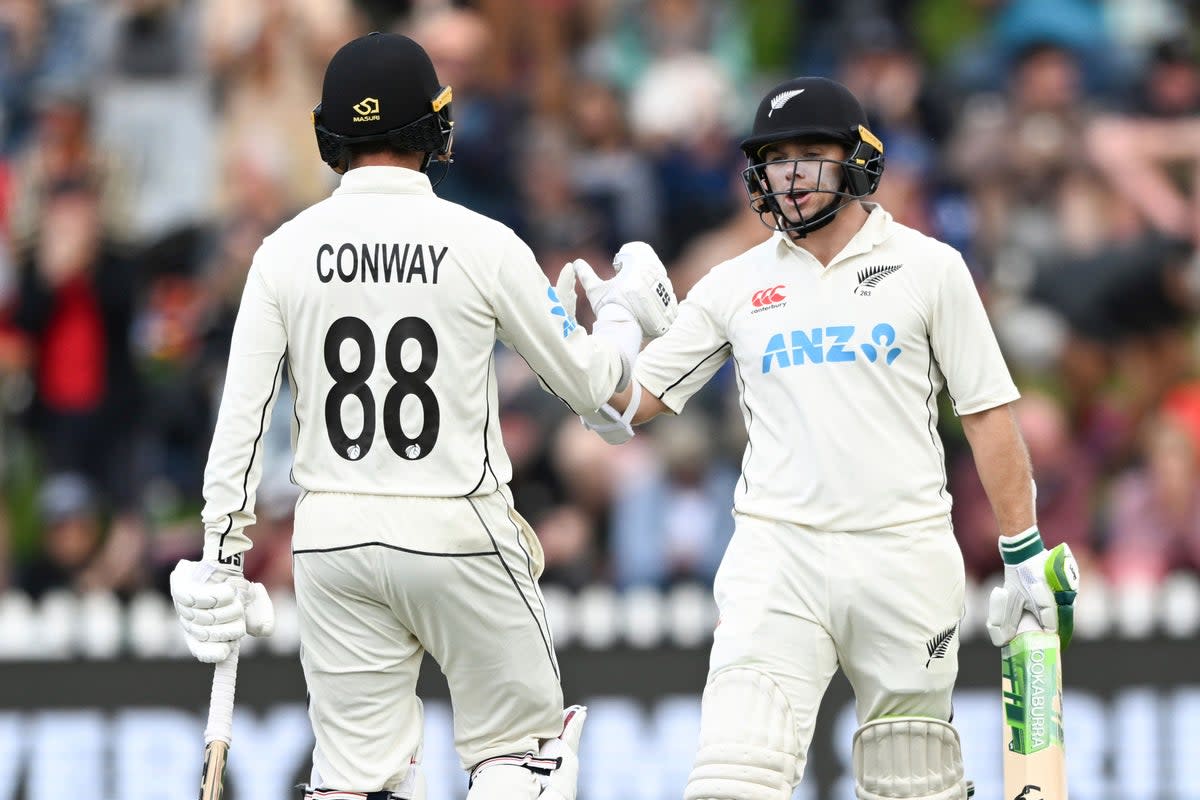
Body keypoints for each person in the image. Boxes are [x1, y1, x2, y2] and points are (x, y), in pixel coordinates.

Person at [166, 32, 678, 800]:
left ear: (328, 135)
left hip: (332, 538)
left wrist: (222, 554)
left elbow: (239, 425)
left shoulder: (283, 251)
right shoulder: (482, 242)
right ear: (436, 129)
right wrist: (626, 315)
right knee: (524, 754)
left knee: (353, 783)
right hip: (457, 526)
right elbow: (598, 392)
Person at [564, 77, 1079, 800]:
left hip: (902, 550)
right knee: (731, 781)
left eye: (811, 154)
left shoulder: (930, 268)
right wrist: (606, 335)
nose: (793, 175)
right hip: (779, 556)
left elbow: (988, 414)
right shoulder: (733, 283)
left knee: (913, 781)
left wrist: (1023, 552)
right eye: (777, 159)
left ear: (858, 161)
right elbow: (626, 406)